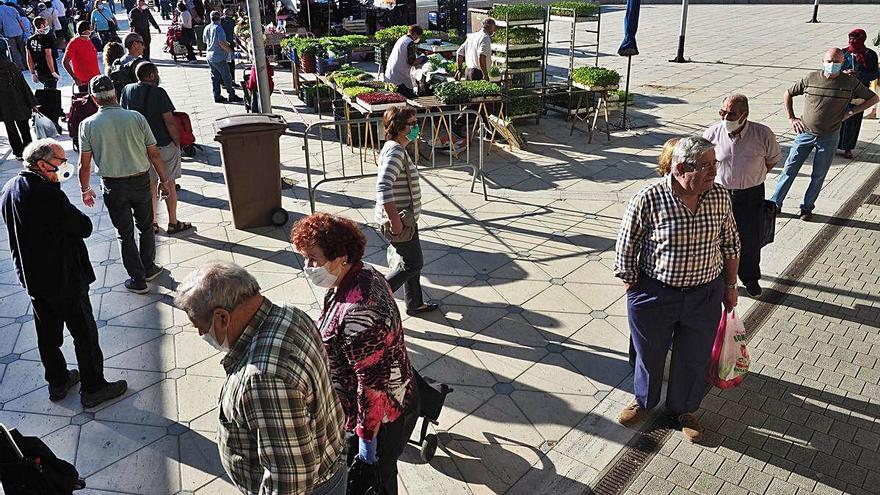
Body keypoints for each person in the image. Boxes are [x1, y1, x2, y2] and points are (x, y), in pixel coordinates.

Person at [174, 262, 347, 495]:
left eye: (200, 326)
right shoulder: (289, 312)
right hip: (327, 457)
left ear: (222, 317)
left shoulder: (262, 379)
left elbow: (290, 483)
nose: (200, 334)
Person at [614, 136, 741, 444]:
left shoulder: (720, 196)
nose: (714, 172)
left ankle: (684, 409)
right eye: (706, 166)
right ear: (682, 168)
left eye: (716, 164)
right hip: (655, 294)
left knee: (694, 356)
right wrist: (635, 287)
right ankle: (644, 401)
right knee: (649, 354)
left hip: (705, 294)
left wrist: (730, 284)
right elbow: (626, 248)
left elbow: (731, 243)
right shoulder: (647, 198)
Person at [291, 213, 420, 495]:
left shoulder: (361, 311)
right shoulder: (359, 275)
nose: (308, 266)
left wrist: (366, 440)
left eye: (314, 258)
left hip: (379, 419)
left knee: (377, 482)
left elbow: (371, 385)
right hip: (378, 404)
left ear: (341, 257)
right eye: (305, 258)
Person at [0, 138, 129, 408]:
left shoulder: (11, 187)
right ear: (41, 164)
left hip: (34, 279)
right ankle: (94, 387)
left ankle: (57, 381)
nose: (63, 167)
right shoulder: (46, 193)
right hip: (64, 279)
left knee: (47, 334)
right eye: (59, 163)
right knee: (84, 332)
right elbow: (82, 226)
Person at [77, 75, 170, 294]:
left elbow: (84, 163)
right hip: (140, 180)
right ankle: (148, 267)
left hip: (113, 185)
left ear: (94, 98)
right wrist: (164, 181)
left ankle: (138, 280)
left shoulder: (88, 125)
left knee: (124, 232)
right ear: (115, 94)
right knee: (146, 226)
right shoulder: (136, 118)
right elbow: (154, 154)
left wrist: (85, 189)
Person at [770, 48, 878, 221]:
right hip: (805, 133)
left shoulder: (849, 82)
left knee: (818, 174)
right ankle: (775, 203)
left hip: (829, 136)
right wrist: (791, 118)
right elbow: (788, 93)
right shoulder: (811, 78)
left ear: (842, 63)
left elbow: (873, 98)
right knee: (789, 169)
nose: (832, 65)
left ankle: (807, 208)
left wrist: (850, 113)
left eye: (836, 62)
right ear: (823, 61)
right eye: (829, 61)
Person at [703, 94, 781, 298]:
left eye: (731, 114)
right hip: (719, 194)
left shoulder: (762, 134)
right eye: (722, 112)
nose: (725, 117)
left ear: (744, 115)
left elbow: (772, 160)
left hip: (751, 195)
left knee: (749, 240)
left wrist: (752, 175)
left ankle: (750, 278)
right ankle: (721, 280)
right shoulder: (712, 133)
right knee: (717, 238)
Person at [376, 106, 439, 316]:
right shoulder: (395, 151)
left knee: (411, 262)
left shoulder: (394, 148)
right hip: (400, 219)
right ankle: (373, 297)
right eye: (412, 124)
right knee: (412, 263)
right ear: (400, 128)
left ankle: (415, 303)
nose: (417, 128)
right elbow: (384, 185)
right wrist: (395, 221)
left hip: (406, 218)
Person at [121, 62, 192, 236]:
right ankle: (173, 222)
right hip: (162, 144)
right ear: (152, 75)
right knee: (168, 183)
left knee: (150, 185)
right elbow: (169, 120)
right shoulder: (159, 93)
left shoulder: (127, 90)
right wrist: (177, 142)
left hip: (140, 146)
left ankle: (152, 222)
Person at [838, 29, 879, 159]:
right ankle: (834, 144)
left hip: (859, 93)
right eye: (851, 39)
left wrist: (859, 75)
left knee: (853, 119)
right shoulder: (844, 53)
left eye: (856, 39)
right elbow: (835, 69)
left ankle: (848, 147)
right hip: (842, 92)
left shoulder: (870, 55)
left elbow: (875, 74)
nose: (853, 42)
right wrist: (844, 73)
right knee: (837, 118)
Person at [0, 38, 36, 160]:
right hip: (18, 103)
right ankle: (29, 151)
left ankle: (18, 152)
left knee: (10, 129)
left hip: (3, 106)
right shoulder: (11, 66)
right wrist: (32, 103)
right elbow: (23, 86)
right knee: (24, 127)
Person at [204, 10, 241, 103]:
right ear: (219, 17)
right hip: (218, 56)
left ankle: (217, 96)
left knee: (215, 77)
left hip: (209, 56)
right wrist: (230, 50)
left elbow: (205, 40)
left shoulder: (207, 27)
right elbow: (221, 42)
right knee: (227, 77)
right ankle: (231, 95)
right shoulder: (218, 28)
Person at [384, 24, 423, 98]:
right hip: (399, 77)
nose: (418, 38)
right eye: (419, 36)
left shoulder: (403, 38)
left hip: (391, 74)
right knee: (407, 98)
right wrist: (422, 58)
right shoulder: (410, 42)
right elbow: (411, 62)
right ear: (414, 34)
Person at [62, 21, 101, 93]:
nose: (92, 29)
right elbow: (65, 62)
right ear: (85, 31)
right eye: (90, 28)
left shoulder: (88, 40)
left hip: (95, 79)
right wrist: (75, 78)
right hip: (83, 82)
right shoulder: (74, 43)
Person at [27, 16, 60, 89]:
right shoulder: (47, 38)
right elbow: (48, 56)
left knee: (46, 90)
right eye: (46, 24)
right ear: (42, 26)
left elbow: (29, 58)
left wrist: (32, 73)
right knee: (51, 92)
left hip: (39, 70)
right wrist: (53, 72)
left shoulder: (30, 39)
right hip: (48, 70)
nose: (48, 26)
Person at [0, 0, 27, 69]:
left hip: (8, 33)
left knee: (14, 51)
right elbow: (20, 20)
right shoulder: (12, 8)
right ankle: (27, 64)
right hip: (18, 31)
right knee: (23, 49)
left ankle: (20, 67)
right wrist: (24, 30)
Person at [220, 7, 235, 80]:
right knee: (231, 63)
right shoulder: (232, 21)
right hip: (229, 44)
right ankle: (231, 79)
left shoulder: (221, 20)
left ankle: (223, 80)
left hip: (222, 44)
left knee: (224, 63)